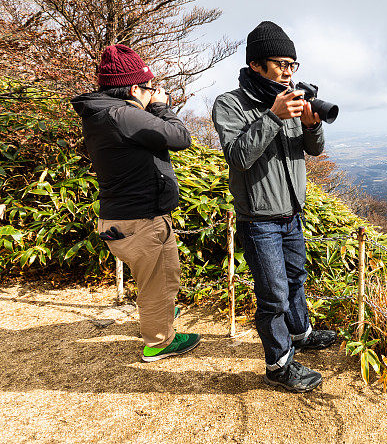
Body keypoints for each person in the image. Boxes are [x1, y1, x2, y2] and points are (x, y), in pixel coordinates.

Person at [212, 21, 335, 393]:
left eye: (293, 65)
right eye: (281, 63)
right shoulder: (231, 104)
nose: (288, 71)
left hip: (292, 212)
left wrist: (312, 125)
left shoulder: (293, 99)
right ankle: (279, 366)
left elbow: (314, 151)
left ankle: (301, 334)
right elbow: (238, 157)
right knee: (273, 295)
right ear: (256, 65)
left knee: (296, 280)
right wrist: (271, 117)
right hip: (259, 218)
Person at [71, 44, 200, 362]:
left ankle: (161, 313)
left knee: (157, 276)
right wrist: (160, 107)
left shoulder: (100, 114)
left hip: (117, 221)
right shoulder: (124, 115)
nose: (154, 92)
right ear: (133, 88)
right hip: (141, 221)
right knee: (157, 281)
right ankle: (159, 342)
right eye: (150, 87)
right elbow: (180, 137)